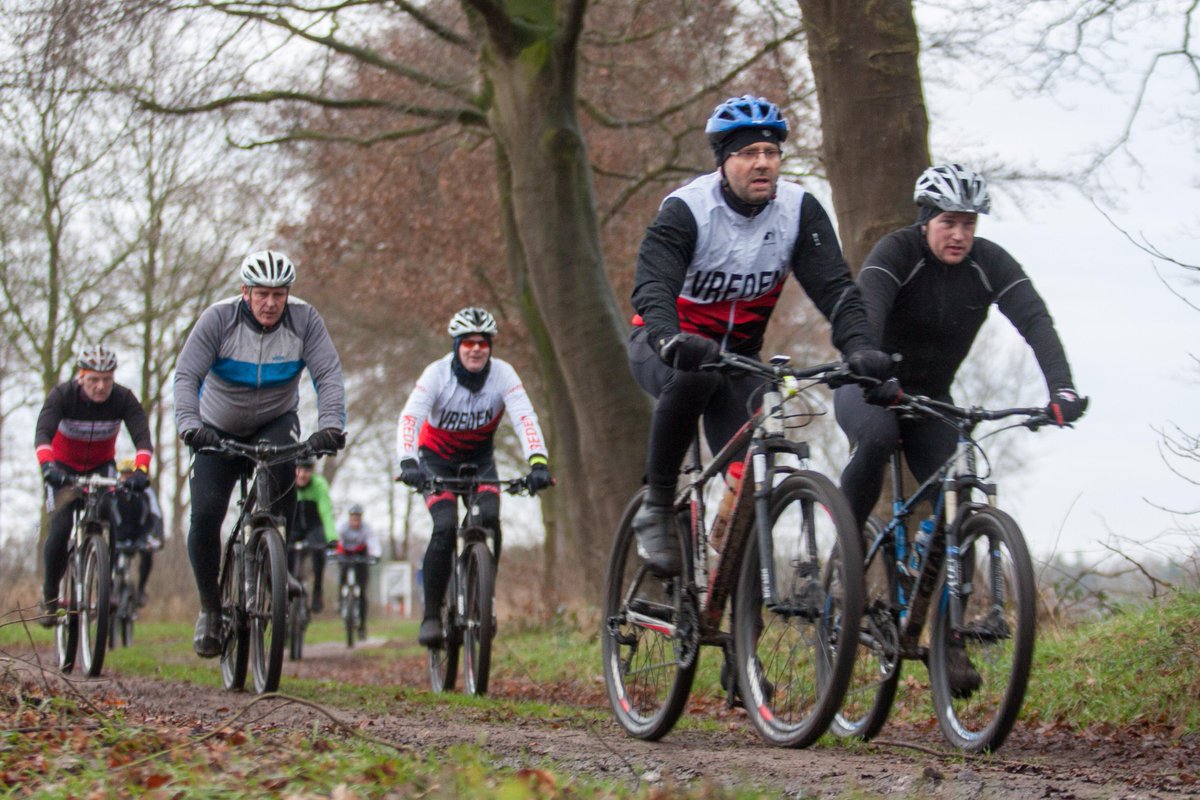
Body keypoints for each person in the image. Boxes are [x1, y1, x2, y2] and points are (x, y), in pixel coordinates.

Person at [834, 163, 1085, 696]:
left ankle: (947, 639)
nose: (960, 234)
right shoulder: (897, 253)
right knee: (876, 440)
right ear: (926, 219)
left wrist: (1061, 390)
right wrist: (869, 364)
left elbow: (1036, 320)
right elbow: (869, 307)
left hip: (930, 399)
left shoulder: (989, 264)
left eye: (969, 223)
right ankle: (847, 547)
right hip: (870, 384)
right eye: (949, 222)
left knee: (958, 497)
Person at [628, 94, 893, 577]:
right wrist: (668, 337)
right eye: (749, 153)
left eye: (771, 153)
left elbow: (836, 290)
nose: (763, 163)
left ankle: (737, 618)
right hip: (666, 346)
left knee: (750, 484)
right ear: (724, 161)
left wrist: (859, 348)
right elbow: (653, 285)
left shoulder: (798, 211)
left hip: (738, 361)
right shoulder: (687, 210)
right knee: (692, 379)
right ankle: (658, 503)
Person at [174, 250, 347, 658]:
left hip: (275, 420)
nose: (270, 303)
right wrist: (189, 425)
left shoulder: (306, 320)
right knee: (205, 516)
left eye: (279, 294)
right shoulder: (218, 320)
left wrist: (331, 426)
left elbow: (327, 374)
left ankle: (274, 564)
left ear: (288, 295)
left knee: (280, 493)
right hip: (217, 428)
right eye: (262, 294)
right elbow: (187, 374)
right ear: (244, 292)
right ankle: (210, 611)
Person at [396, 307, 554, 649]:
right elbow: (410, 418)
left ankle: (483, 594)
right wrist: (408, 461)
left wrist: (538, 463)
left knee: (491, 518)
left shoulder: (504, 375)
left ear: (491, 346)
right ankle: (431, 616)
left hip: (479, 459)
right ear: (456, 346)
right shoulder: (436, 374)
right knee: (444, 525)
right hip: (435, 460)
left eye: (483, 342)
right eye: (468, 342)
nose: (476, 349)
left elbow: (525, 417)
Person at [35, 345, 153, 627]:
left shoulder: (123, 398)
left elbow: (142, 437)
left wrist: (141, 470)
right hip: (63, 469)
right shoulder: (62, 396)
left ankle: (104, 585)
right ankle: (50, 593)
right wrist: (47, 467)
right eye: (94, 380)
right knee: (61, 527)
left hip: (101, 467)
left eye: (107, 380)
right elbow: (43, 434)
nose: (101, 387)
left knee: (109, 519)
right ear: (81, 377)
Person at [113, 458, 164, 607]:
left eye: (130, 474)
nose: (127, 478)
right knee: (108, 557)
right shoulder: (114, 490)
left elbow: (156, 515)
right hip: (118, 535)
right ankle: (107, 590)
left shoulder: (146, 491)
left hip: (140, 535)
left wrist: (158, 536)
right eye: (124, 474)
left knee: (147, 553)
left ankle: (141, 588)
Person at [334, 503, 382, 638]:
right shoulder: (342, 528)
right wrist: (334, 553)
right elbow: (336, 542)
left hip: (361, 555)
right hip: (346, 554)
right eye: (353, 517)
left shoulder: (367, 529)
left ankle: (362, 626)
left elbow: (373, 544)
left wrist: (375, 555)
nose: (355, 520)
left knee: (362, 591)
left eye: (358, 518)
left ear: (361, 518)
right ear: (349, 518)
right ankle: (340, 599)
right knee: (342, 574)